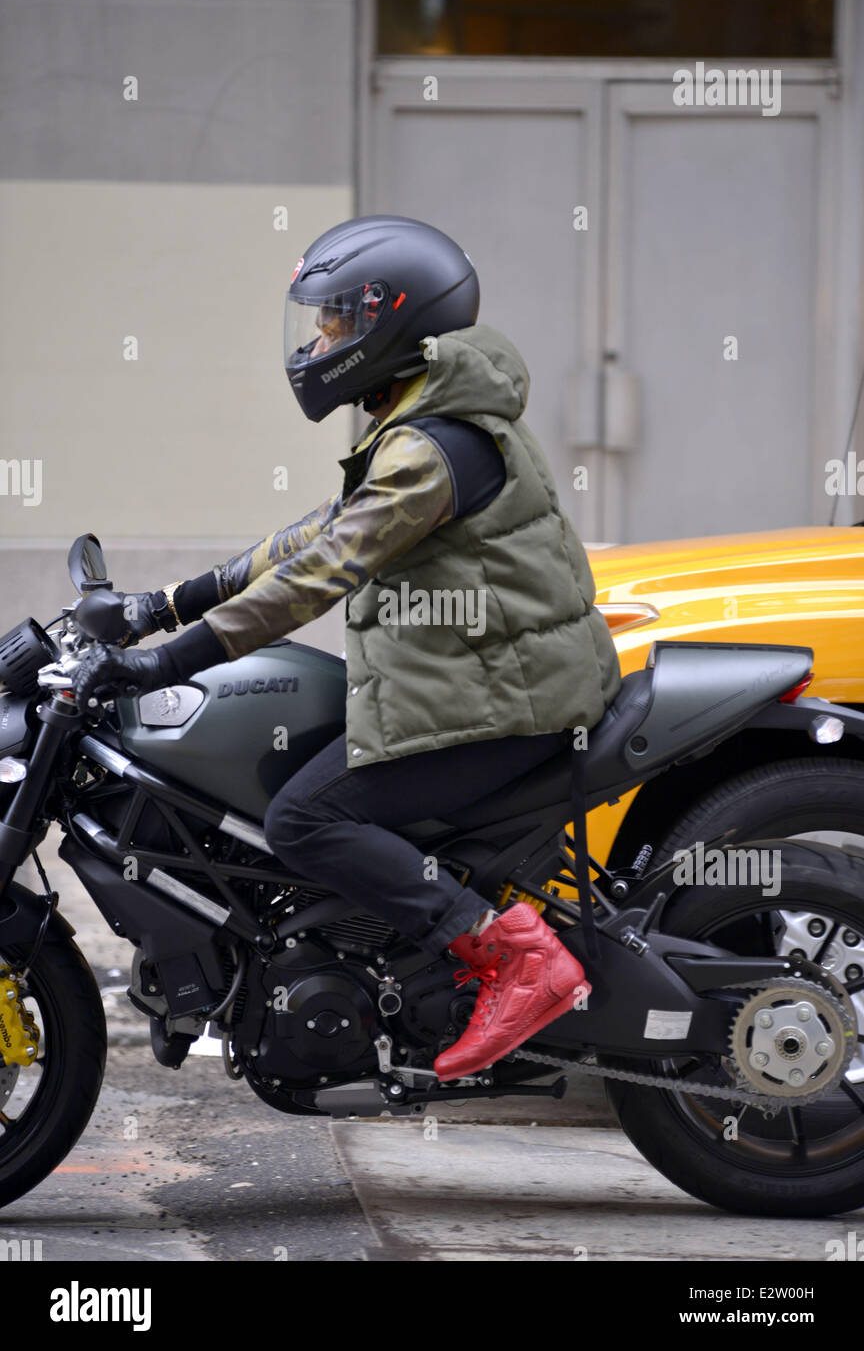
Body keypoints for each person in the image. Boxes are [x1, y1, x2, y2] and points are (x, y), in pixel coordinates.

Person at [73, 214, 622, 1081]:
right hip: (477, 687)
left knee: (304, 818)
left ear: (387, 321)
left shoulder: (434, 447)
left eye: (335, 321)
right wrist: (162, 604)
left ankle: (513, 958)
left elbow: (320, 575)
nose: (319, 340)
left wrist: (167, 659)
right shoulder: (420, 421)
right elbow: (311, 538)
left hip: (510, 705)